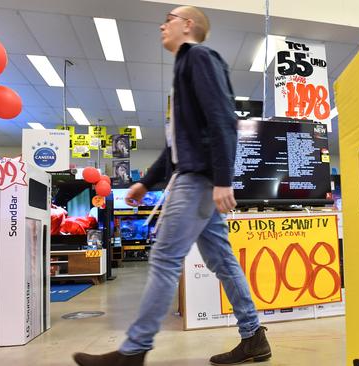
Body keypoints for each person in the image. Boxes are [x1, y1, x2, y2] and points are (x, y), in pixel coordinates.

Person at [73, 5, 271, 366]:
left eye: (169, 19)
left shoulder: (198, 57)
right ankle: (254, 337)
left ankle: (132, 352)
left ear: (188, 24)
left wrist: (223, 179)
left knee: (164, 259)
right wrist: (144, 183)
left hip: (196, 182)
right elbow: (177, 146)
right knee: (223, 262)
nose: (162, 25)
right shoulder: (184, 67)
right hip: (194, 177)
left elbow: (223, 120)